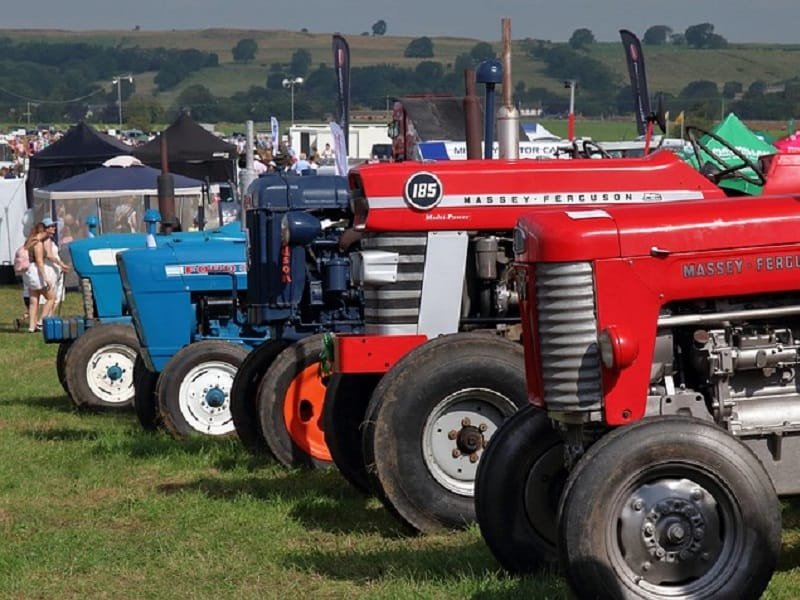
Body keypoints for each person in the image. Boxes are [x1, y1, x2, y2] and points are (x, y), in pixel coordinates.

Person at [22, 222, 55, 332]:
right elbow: (40, 262)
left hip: (28, 272)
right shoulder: (38, 243)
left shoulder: (29, 241)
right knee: (51, 298)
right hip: (36, 272)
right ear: (44, 230)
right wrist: (46, 278)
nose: (52, 229)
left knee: (33, 300)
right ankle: (41, 322)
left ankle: (32, 327)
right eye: (48, 228)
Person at [42, 217, 70, 314]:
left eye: (54, 226)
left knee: (57, 297)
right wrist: (61, 264)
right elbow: (49, 256)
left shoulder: (50, 240)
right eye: (51, 226)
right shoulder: (45, 240)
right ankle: (46, 317)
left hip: (55, 270)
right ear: (45, 229)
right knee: (52, 297)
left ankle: (50, 316)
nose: (54, 228)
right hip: (50, 270)